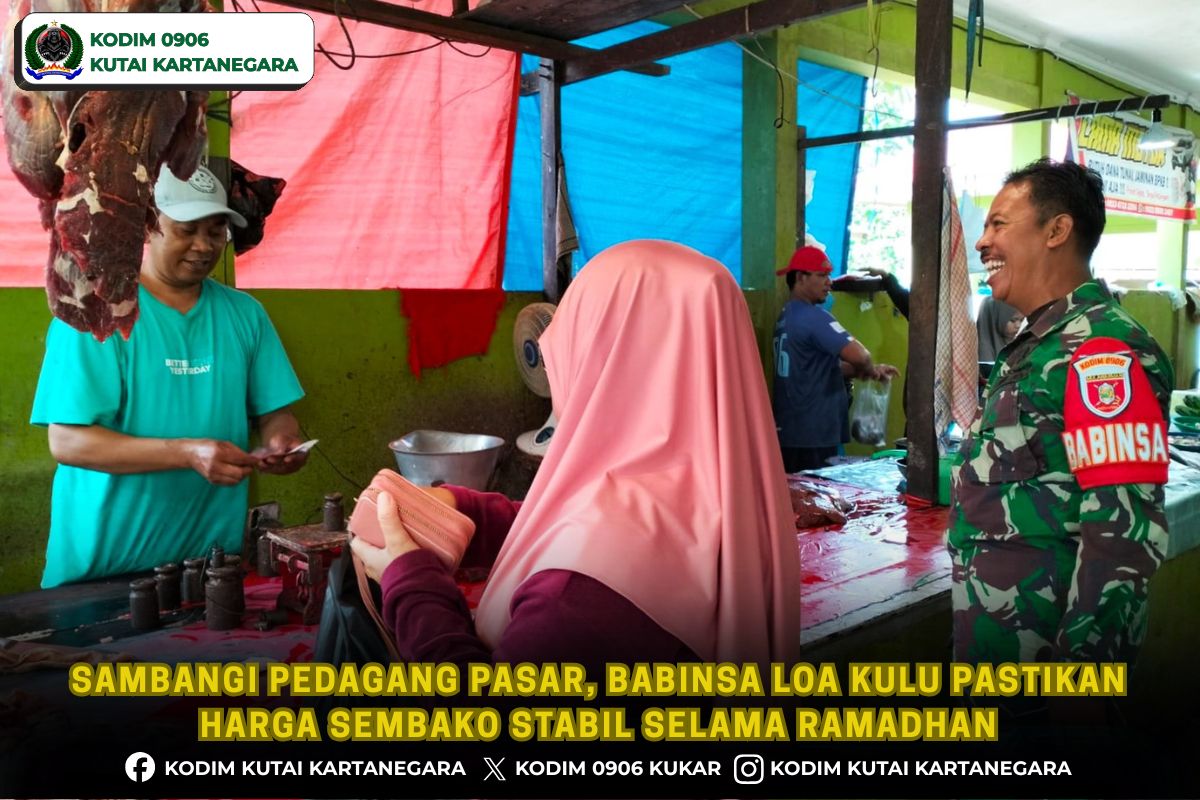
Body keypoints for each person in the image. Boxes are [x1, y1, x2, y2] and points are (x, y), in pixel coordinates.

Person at [351, 240, 802, 670]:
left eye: (572, 341)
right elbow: (584, 525)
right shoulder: (733, 501)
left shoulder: (576, 599)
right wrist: (468, 510)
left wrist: (411, 586)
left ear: (607, 362)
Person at [30, 165, 308, 588]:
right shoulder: (96, 313)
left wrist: (282, 443)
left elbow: (276, 414)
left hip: (211, 568)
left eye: (215, 231)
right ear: (147, 227)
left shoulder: (245, 315)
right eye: (186, 230)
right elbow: (68, 442)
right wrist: (186, 453)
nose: (203, 245)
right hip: (101, 570)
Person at [949, 158, 1171, 667]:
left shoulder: (1102, 351)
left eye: (998, 224)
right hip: (1000, 640)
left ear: (1057, 231)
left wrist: (1081, 678)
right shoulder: (1040, 343)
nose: (982, 242)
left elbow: (1123, 532)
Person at [771, 246, 899, 473]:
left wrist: (869, 370)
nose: (829, 283)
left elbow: (816, 367)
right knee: (815, 490)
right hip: (814, 433)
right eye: (822, 276)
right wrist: (868, 367)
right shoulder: (814, 317)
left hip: (790, 431)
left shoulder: (786, 316)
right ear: (800, 277)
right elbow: (861, 355)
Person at [975, 295, 1023, 362]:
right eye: (1013, 320)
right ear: (994, 319)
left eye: (1021, 320)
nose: (1018, 325)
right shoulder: (981, 354)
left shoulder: (1016, 344)